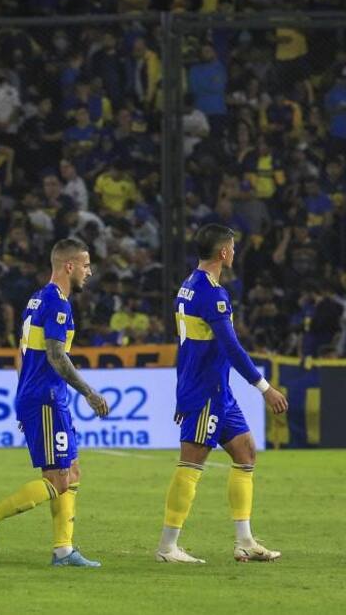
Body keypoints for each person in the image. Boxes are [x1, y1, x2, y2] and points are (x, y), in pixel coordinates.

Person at [0, 238, 110, 567]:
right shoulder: (57, 303)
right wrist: (89, 392)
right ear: (69, 266)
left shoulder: (37, 299)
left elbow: (21, 354)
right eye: (86, 265)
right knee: (58, 479)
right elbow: (57, 357)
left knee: (71, 471)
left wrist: (24, 392)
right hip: (46, 398)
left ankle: (63, 550)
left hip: (42, 395)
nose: (89, 272)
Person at [155, 223, 288, 564]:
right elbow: (231, 347)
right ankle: (167, 547)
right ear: (224, 252)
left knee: (246, 452)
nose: (234, 253)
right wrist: (265, 388)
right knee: (191, 462)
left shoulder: (189, 284)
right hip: (206, 391)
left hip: (217, 389)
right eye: (232, 247)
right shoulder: (212, 294)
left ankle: (245, 541)